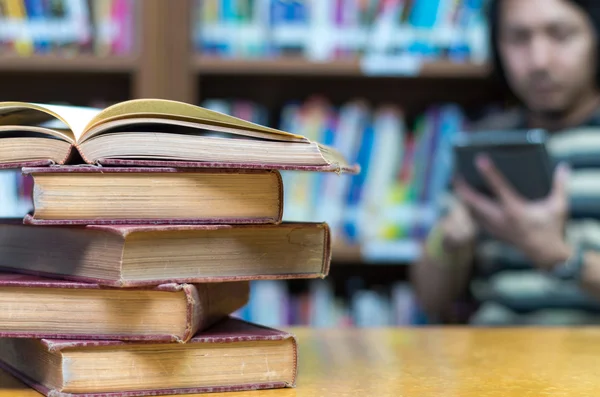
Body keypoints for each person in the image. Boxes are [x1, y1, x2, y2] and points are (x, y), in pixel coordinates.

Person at [412, 0, 600, 325]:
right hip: (496, 359)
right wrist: (450, 241)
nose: (539, 61)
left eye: (561, 35)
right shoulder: (481, 145)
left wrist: (557, 256)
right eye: (518, 38)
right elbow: (431, 300)